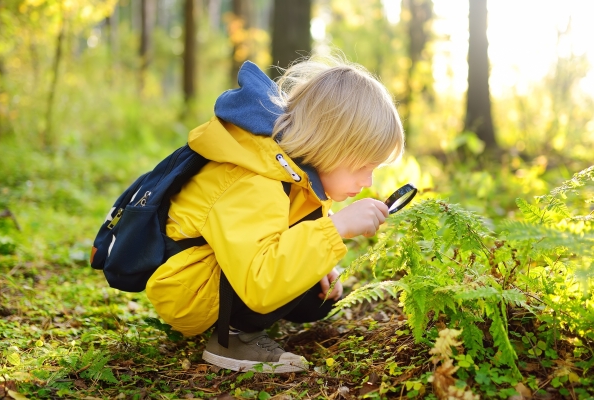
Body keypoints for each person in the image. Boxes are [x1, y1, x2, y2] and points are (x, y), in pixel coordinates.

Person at [145, 54, 404, 373]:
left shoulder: (298, 176)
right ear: (329, 144)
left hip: (232, 271)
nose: (368, 182)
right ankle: (232, 339)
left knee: (317, 296)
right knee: (290, 275)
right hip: (188, 290)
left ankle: (244, 322)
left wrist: (319, 261)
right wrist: (334, 229)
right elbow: (260, 277)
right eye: (362, 166)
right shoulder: (256, 179)